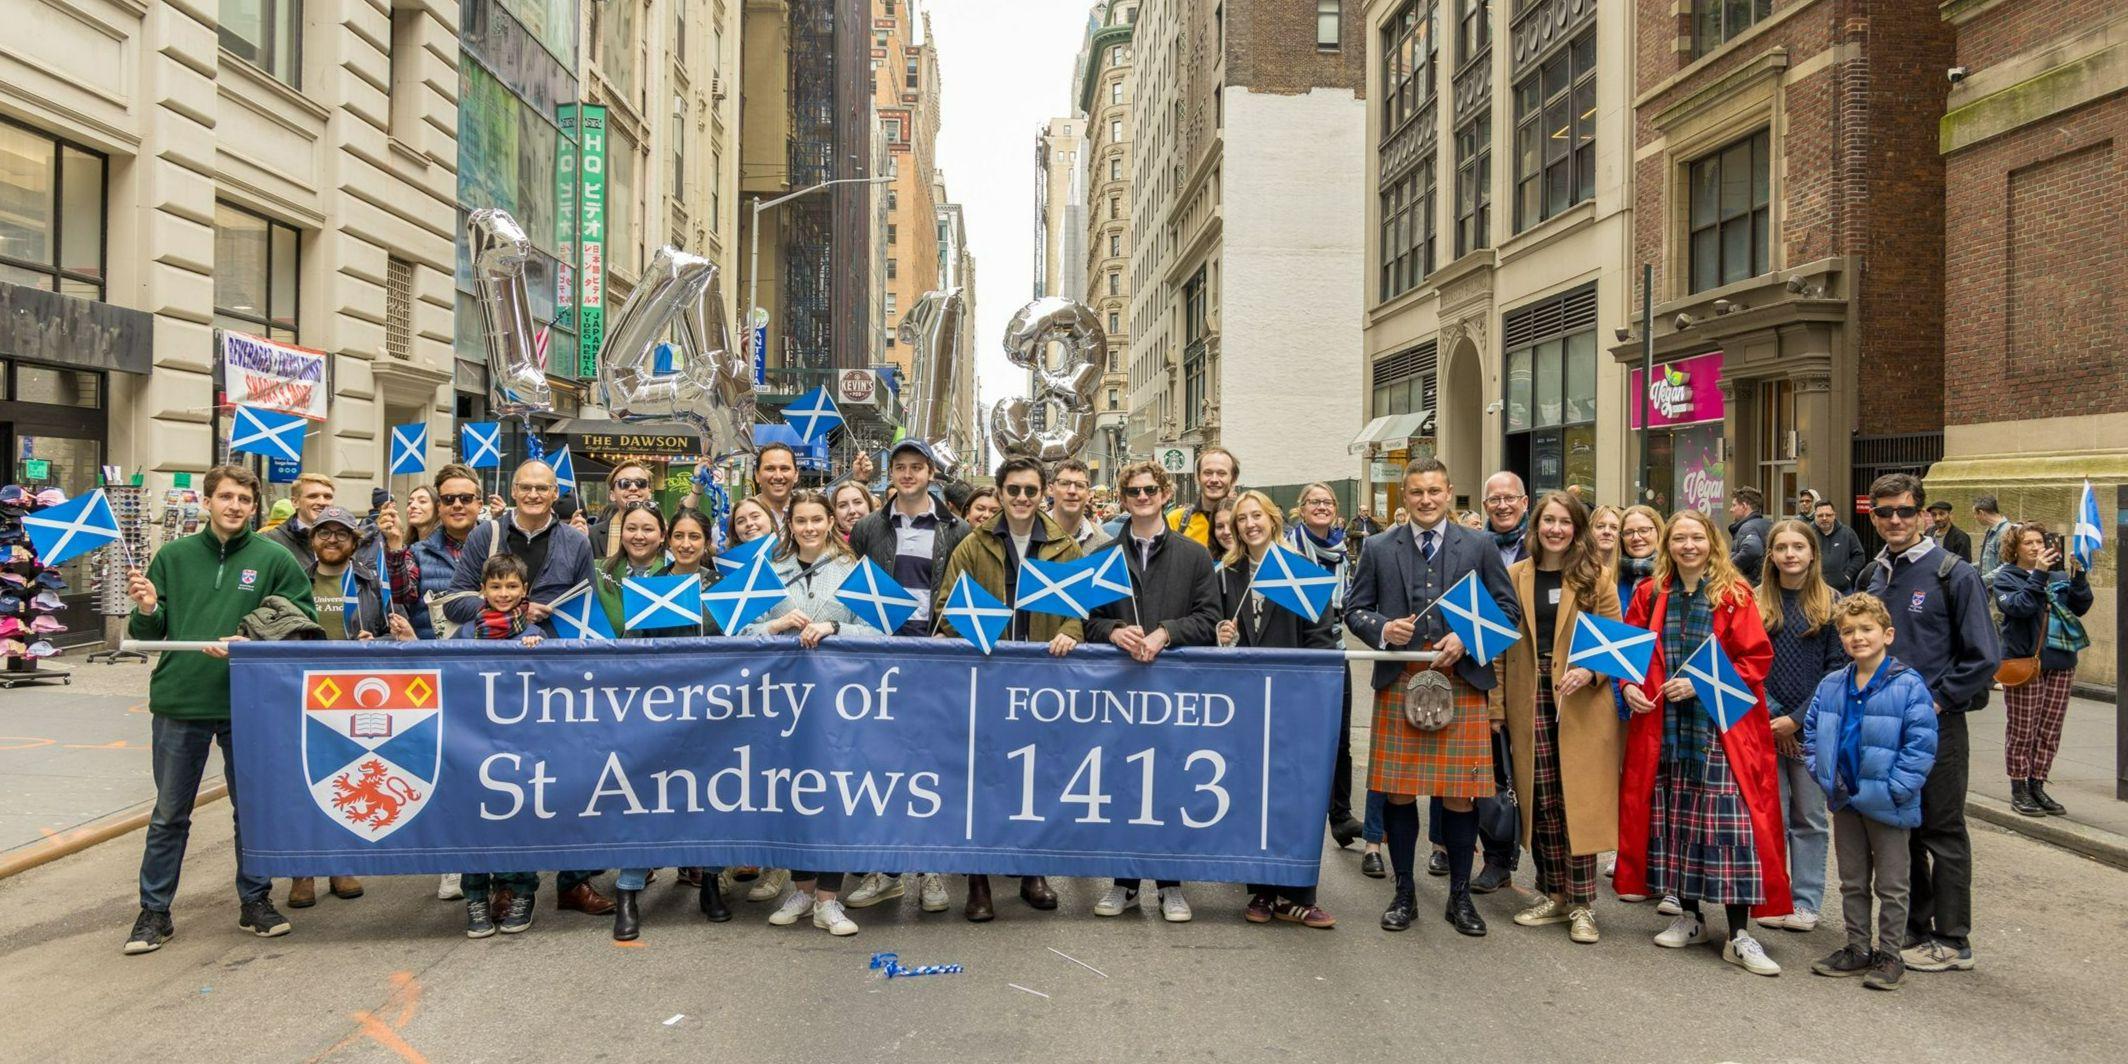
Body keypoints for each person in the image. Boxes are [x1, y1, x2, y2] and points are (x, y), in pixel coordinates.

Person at [123, 465, 315, 955]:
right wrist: (146, 607)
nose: (234, 506)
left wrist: (250, 639)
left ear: (255, 507)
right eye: (226, 497)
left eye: (244, 500)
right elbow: (149, 636)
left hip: (248, 702)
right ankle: (154, 913)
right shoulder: (173, 556)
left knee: (250, 810)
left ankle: (255, 901)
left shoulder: (274, 558)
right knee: (169, 814)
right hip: (180, 700)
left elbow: (303, 621)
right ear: (207, 501)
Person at [1345, 457, 1519, 939]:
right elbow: (1354, 609)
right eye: (1417, 492)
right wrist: (1383, 629)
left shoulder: (1480, 544)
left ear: (1449, 493)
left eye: (1434, 491)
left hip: (1460, 679)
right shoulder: (1379, 547)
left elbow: (1507, 610)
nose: (1425, 499)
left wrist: (1465, 637)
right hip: (1401, 679)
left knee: (1460, 798)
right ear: (1406, 494)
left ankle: (1459, 897)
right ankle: (1404, 892)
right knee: (1399, 792)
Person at [1615, 510, 1791, 976]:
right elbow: (1629, 655)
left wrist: (1700, 683)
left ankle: (1739, 934)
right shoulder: (1649, 593)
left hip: (1721, 731)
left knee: (1731, 830)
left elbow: (1756, 659)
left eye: (1696, 537)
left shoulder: (1733, 596)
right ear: (1668, 545)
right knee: (1678, 822)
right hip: (1665, 729)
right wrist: (1627, 687)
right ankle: (1691, 918)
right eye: (1679, 539)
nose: (1687, 546)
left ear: (1712, 542)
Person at [439, 459, 609, 917]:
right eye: (526, 487)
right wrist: (506, 610)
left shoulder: (575, 541)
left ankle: (573, 881)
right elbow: (454, 602)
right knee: (503, 784)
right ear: (513, 490)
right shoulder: (486, 535)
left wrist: (549, 617)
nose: (534, 495)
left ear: (556, 494)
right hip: (491, 689)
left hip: (553, 683)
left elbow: (588, 609)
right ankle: (511, 883)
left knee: (567, 780)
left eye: (543, 488)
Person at [1860, 473, 1998, 973]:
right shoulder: (1873, 576)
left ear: (1923, 515)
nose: (1894, 520)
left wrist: (1937, 702)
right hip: (1882, 725)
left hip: (1936, 725)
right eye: (1884, 512)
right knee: (1905, 829)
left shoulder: (1954, 574)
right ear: (1872, 516)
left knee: (1942, 830)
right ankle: (1917, 929)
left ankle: (1953, 938)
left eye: (1903, 511)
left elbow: (1983, 656)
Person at [933, 457, 1080, 920]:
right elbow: (946, 604)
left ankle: (1031, 871)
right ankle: (978, 880)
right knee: (982, 781)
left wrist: (1072, 632)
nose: (1021, 499)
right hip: (987, 679)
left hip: (1042, 682)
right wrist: (979, 634)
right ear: (999, 493)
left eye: (1030, 491)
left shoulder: (1064, 546)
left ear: (1043, 494)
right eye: (1012, 490)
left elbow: (1081, 606)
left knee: (1035, 779)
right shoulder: (973, 544)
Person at [738, 491, 881, 937]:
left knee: (835, 794)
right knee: (790, 794)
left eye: (817, 519)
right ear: (791, 526)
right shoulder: (768, 574)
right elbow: (739, 628)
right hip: (782, 703)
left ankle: (828, 900)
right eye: (800, 520)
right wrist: (773, 626)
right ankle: (801, 890)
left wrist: (836, 627)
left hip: (840, 703)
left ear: (830, 521)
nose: (809, 528)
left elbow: (880, 629)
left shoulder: (855, 572)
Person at [1087, 459, 1221, 922]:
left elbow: (1208, 617)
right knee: (1122, 784)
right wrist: (1114, 632)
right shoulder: (1103, 555)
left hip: (1173, 690)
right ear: (1123, 499)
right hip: (1119, 690)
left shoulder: (1194, 555)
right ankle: (1123, 883)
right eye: (1134, 492)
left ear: (1165, 493)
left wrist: (1165, 632)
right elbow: (1087, 618)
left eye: (1150, 490)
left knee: (1170, 784)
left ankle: (1170, 884)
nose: (1143, 498)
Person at [842, 439, 970, 912]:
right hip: (883, 656)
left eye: (917, 467)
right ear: (889, 473)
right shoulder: (869, 527)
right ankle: (887, 868)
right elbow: (853, 585)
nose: (909, 474)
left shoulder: (955, 528)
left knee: (930, 764)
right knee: (884, 764)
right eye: (900, 467)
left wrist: (949, 635)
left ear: (931, 473)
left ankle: (930, 868)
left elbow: (964, 592)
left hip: (935, 657)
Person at [1500, 492, 1622, 945]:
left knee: (1578, 803)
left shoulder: (1597, 578)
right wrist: (1498, 709)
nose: (1555, 529)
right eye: (1548, 520)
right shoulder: (1515, 576)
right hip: (1528, 697)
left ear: (1577, 528)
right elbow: (1499, 646)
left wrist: (1590, 670)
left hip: (1581, 702)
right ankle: (1554, 895)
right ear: (1536, 526)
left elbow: (1616, 645)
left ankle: (1584, 904)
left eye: (1564, 522)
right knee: (1543, 802)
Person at [1801, 593, 1939, 991]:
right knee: (1853, 880)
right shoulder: (1831, 685)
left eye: (1866, 629)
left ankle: (1890, 954)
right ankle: (1857, 947)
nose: (1857, 637)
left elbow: (1921, 744)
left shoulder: (1909, 685)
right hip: (1845, 798)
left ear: (1887, 634)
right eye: (1848, 631)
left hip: (1889, 803)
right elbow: (1811, 733)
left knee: (1893, 885)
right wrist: (1823, 774)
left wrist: (1897, 789)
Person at [1218, 490, 1338, 929]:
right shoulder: (1226, 576)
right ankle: (1263, 893)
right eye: (1242, 519)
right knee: (1252, 797)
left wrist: (1308, 691)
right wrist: (1222, 635)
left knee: (1296, 797)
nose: (1250, 524)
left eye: (1257, 516)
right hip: (1244, 707)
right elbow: (1214, 634)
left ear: (1272, 521)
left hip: (1293, 703)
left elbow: (1321, 638)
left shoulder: (1301, 573)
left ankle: (1300, 893)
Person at [1755, 520, 1846, 935]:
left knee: (1809, 818)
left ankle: (1806, 902)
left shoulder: (1831, 604)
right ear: (1771, 555)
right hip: (1763, 725)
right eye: (1782, 547)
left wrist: (1796, 720)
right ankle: (1773, 893)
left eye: (1798, 547)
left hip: (1812, 728)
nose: (1790, 554)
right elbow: (1746, 666)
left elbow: (1838, 671)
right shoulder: (1755, 603)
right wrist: (1777, 719)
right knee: (1770, 814)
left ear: (1813, 553)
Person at [453, 554, 549, 938]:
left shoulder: (534, 633)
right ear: (482, 591)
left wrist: (535, 650)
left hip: (519, 742)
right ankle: (475, 894)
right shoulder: (466, 633)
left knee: (518, 816)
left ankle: (522, 891)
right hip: (473, 741)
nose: (504, 593)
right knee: (473, 820)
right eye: (496, 586)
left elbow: (546, 679)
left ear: (525, 590)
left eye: (512, 586)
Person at [1457, 469, 1530, 891]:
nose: (1502, 506)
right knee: (1490, 772)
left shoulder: (1544, 545)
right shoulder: (1474, 548)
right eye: (1493, 500)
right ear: (1484, 507)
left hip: (1534, 676)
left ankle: (1551, 868)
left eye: (1510, 498)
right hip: (1484, 669)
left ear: (1524, 501)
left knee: (1534, 773)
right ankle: (1497, 857)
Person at [1992, 522, 2093, 818]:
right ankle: (2019, 787)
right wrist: (2037, 574)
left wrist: (2079, 576)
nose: (2036, 547)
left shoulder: (2058, 575)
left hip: (2060, 661)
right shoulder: (2006, 578)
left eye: (2039, 541)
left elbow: (2080, 606)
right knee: (2023, 729)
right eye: (2028, 543)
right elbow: (2020, 608)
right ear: (2015, 548)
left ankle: (2038, 783)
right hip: (2024, 663)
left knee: (2049, 729)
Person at [1285, 482, 1365, 847]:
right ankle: (1295, 812)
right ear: (1300, 510)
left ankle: (1341, 814)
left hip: (1334, 649)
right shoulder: (1286, 550)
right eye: (1314, 502)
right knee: (1296, 738)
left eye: (1327, 501)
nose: (1321, 506)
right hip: (1295, 653)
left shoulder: (1342, 552)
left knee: (1339, 736)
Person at [592, 502, 672, 635]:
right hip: (608, 654)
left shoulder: (675, 575)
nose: (639, 536)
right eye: (631, 529)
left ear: (662, 536)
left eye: (648, 529)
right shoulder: (596, 571)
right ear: (622, 533)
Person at [1165, 446, 1238, 547]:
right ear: (1197, 477)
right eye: (1208, 473)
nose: (1214, 479)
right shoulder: (1176, 520)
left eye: (1222, 473)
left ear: (1233, 479)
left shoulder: (1244, 520)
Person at [262, 472, 339, 568]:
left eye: (327, 497)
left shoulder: (345, 538)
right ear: (295, 502)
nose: (322, 502)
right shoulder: (271, 541)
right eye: (313, 496)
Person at [588, 463, 660, 559]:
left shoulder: (666, 532)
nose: (633, 488)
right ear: (612, 495)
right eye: (624, 483)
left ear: (649, 492)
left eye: (641, 483)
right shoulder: (592, 535)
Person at [1049, 458, 1112, 551]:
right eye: (1064, 483)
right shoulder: (1029, 535)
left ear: (1088, 494)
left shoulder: (1106, 545)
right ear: (1051, 489)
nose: (1072, 491)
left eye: (1080, 485)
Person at [1811, 499, 1867, 591]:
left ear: (1834, 515)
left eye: (1828, 515)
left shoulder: (1847, 533)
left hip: (1843, 589)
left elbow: (1859, 555)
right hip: (1814, 589)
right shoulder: (1808, 534)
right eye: (1820, 515)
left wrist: (1848, 575)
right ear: (1815, 516)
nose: (1824, 518)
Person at [1728, 487, 1774, 583]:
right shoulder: (1769, 524)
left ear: (1744, 506)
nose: (1731, 510)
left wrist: (1728, 567)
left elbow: (1752, 550)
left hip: (1752, 585)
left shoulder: (1747, 527)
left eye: (1734, 505)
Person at [752, 443, 800, 528]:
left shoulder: (808, 515)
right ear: (757, 475)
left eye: (784, 468)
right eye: (770, 469)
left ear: (796, 475)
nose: (778, 476)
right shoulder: (743, 516)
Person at [1973, 495, 2010, 585]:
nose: (1974, 517)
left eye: (1975, 514)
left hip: (1998, 590)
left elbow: (2007, 566)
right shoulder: (1991, 530)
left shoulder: (2006, 531)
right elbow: (1988, 561)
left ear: (1981, 513)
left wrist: (1981, 581)